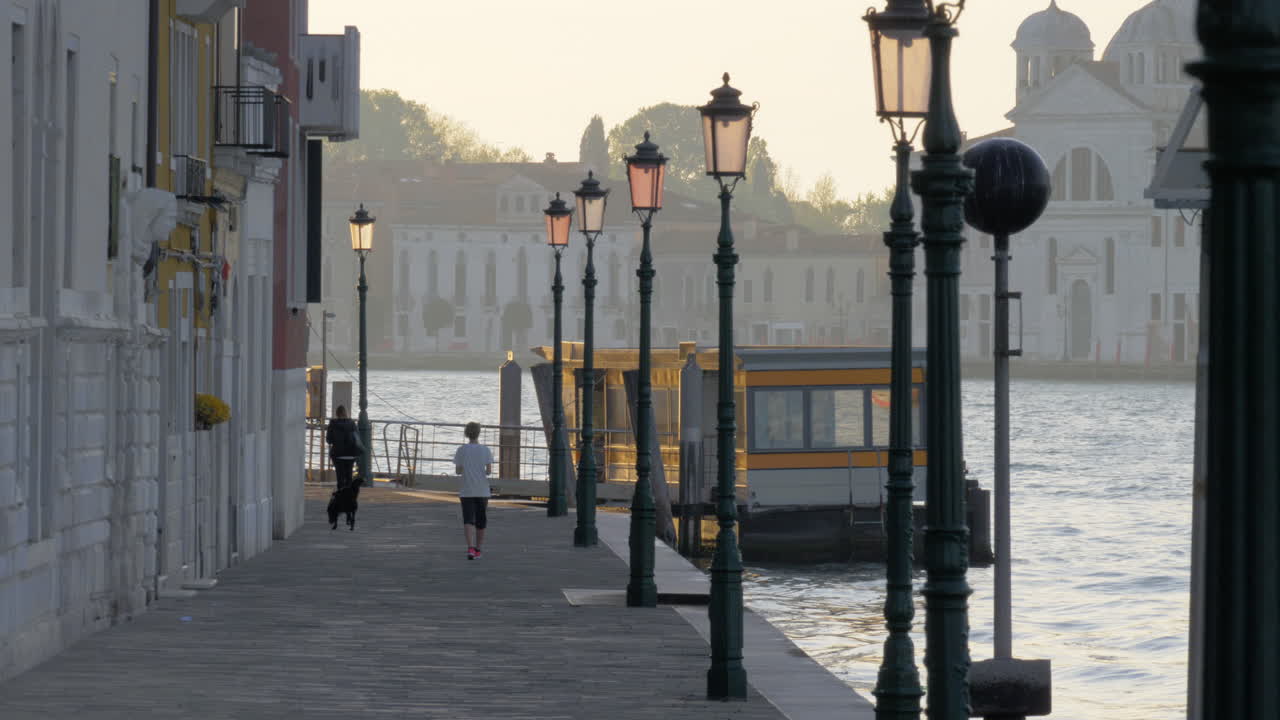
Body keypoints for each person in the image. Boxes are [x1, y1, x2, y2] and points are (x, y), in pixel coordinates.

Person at [453, 422, 493, 560]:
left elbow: (458, 471)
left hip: (467, 490)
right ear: (478, 433)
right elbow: (489, 471)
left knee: (468, 519)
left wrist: (467, 468)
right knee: (481, 520)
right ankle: (478, 549)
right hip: (482, 490)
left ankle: (470, 548)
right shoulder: (485, 450)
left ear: (466, 433)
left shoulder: (461, 450)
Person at [326, 405, 362, 492]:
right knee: (349, 476)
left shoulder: (333, 424)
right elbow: (357, 438)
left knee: (340, 477)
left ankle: (341, 494)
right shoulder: (352, 423)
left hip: (337, 454)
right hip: (351, 454)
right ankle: (348, 495)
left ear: (337, 414)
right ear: (346, 413)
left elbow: (329, 440)